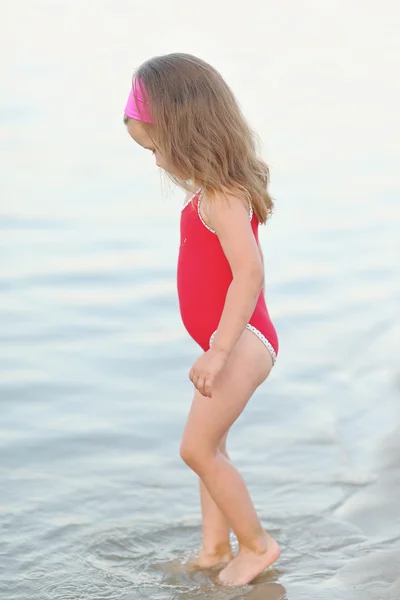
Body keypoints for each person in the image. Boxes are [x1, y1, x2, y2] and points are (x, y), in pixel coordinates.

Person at [123, 53, 280, 587]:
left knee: (195, 448)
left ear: (184, 133)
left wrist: (218, 349)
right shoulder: (208, 194)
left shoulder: (224, 195)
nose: (158, 162)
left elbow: (249, 273)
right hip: (231, 342)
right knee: (211, 449)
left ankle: (256, 547)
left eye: (156, 147)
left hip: (242, 342)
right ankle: (215, 547)